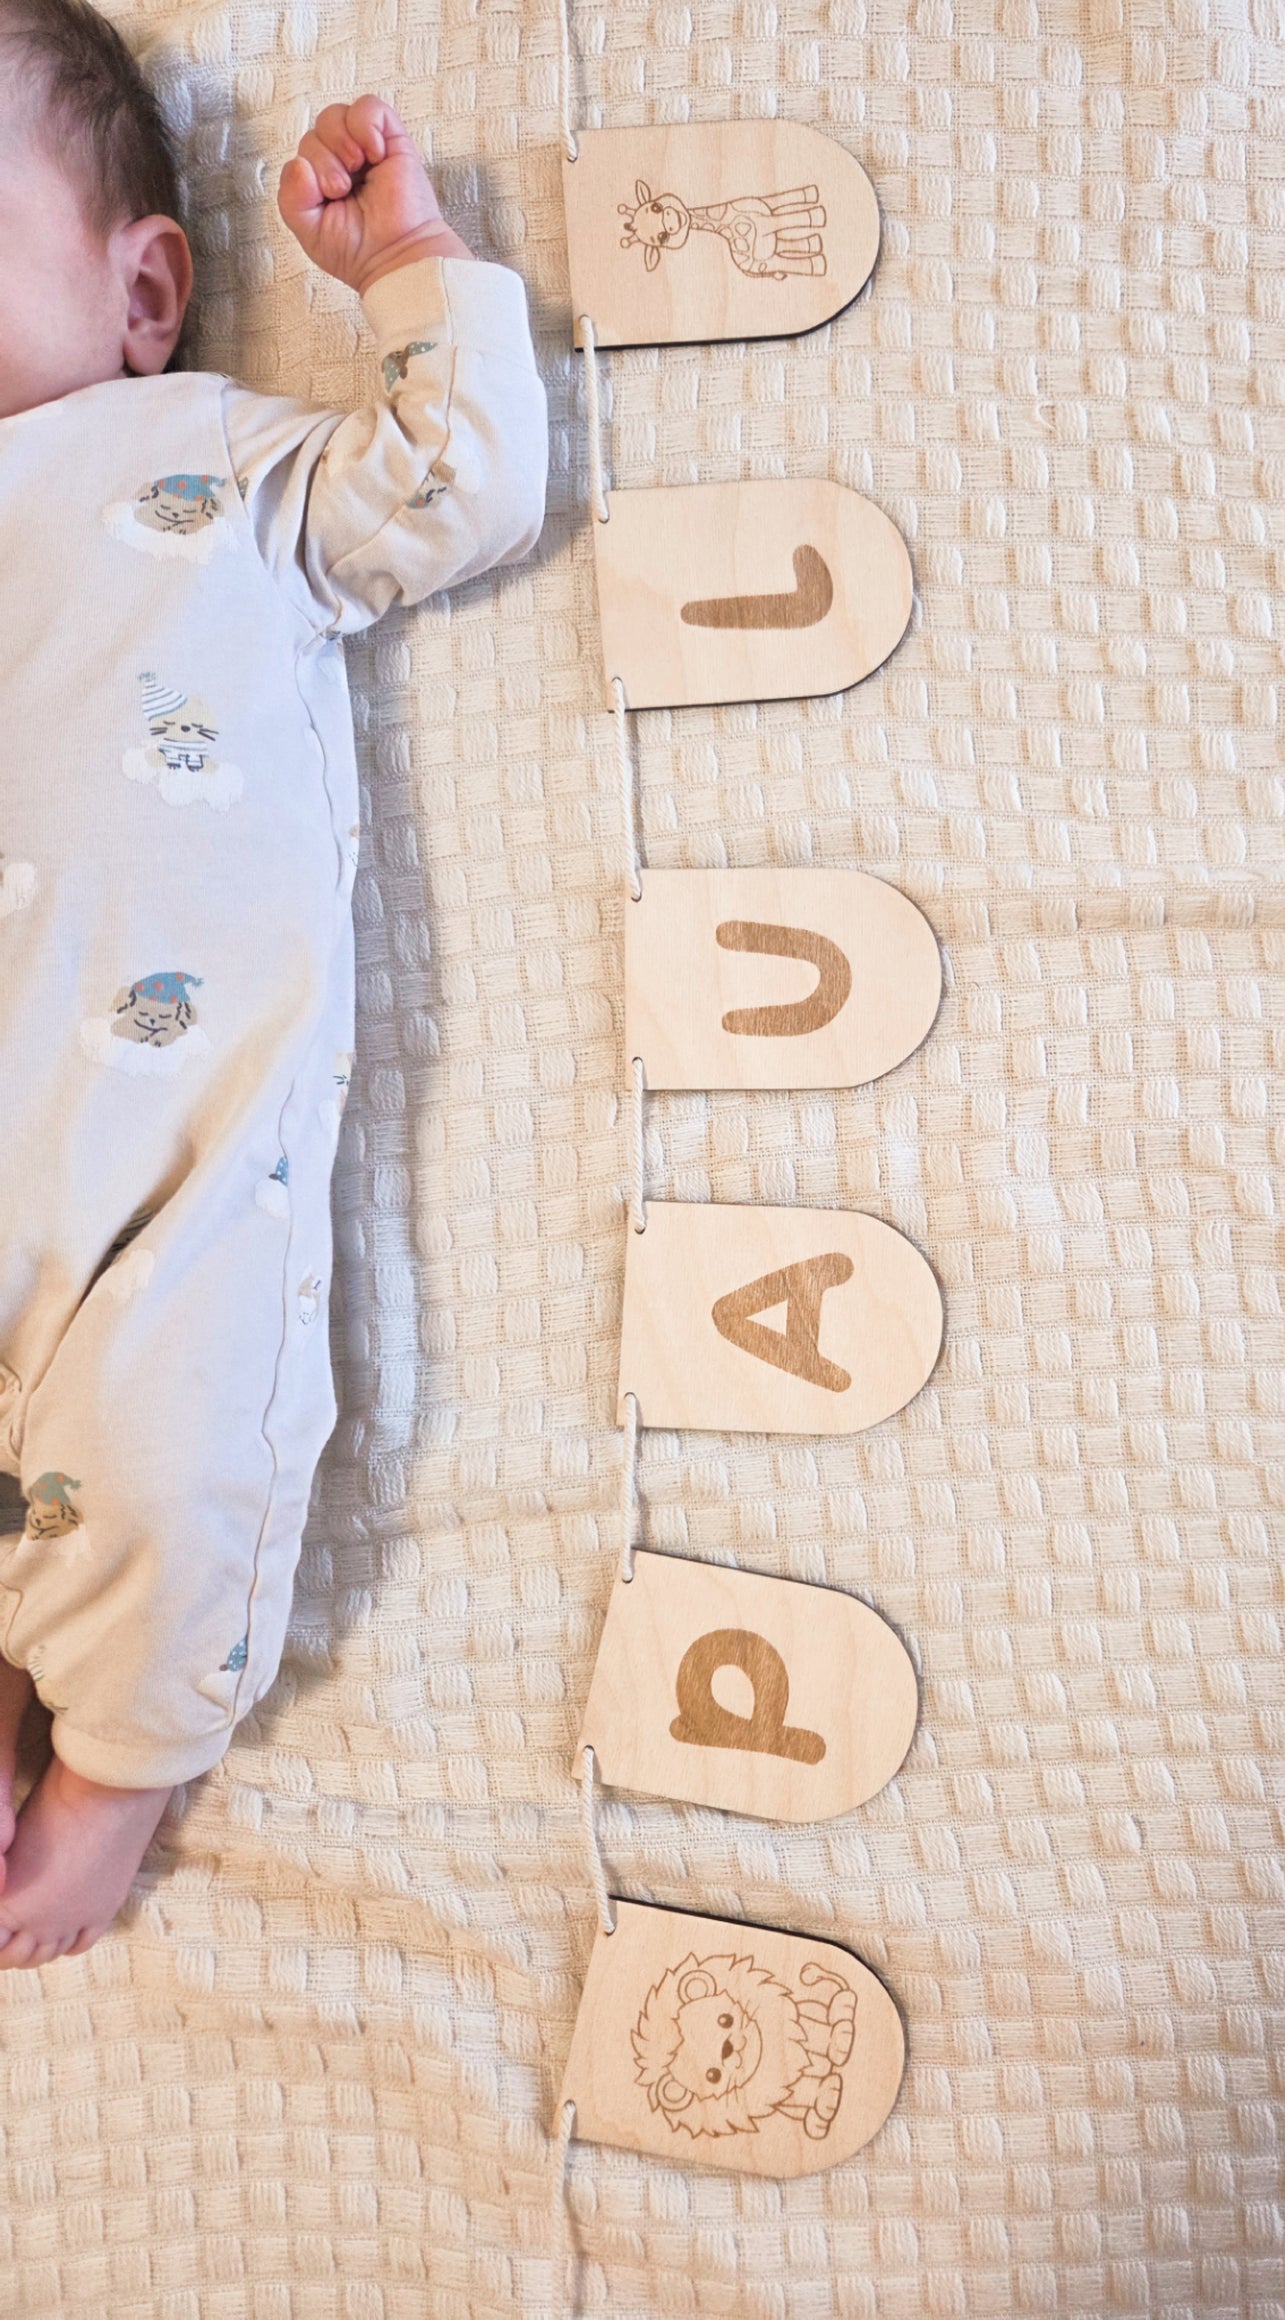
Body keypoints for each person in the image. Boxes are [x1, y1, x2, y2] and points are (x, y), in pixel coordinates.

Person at [0, 0, 549, 1966]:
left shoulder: (197, 466)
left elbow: (459, 480)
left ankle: (116, 1765)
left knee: (163, 1453)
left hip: (150, 1178)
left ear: (141, 286)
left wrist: (414, 267)